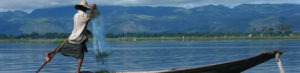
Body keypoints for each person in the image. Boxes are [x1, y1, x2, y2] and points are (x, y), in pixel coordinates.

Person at [45, 0, 94, 73]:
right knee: (81, 56)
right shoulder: (83, 15)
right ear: (84, 8)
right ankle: (78, 71)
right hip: (78, 39)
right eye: (86, 9)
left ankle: (49, 53)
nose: (86, 10)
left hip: (73, 37)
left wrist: (86, 31)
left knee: (59, 48)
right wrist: (92, 9)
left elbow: (80, 26)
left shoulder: (76, 15)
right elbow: (88, 18)